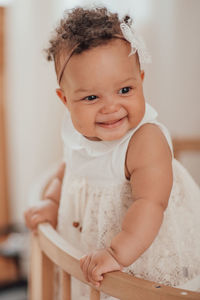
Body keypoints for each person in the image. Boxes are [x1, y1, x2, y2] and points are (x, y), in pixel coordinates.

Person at [24, 5, 200, 298]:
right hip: (96, 249)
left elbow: (150, 204)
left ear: (141, 81)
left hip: (140, 251)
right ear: (65, 100)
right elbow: (68, 169)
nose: (111, 107)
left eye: (125, 90)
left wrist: (117, 254)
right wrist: (52, 203)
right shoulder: (75, 131)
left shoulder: (145, 141)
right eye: (92, 97)